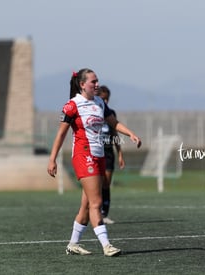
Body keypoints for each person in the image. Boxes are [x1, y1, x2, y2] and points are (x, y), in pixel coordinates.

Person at [47, 68, 141, 257]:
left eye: (97, 81)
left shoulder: (99, 103)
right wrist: (52, 159)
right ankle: (107, 245)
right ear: (82, 85)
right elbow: (61, 134)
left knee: (86, 204)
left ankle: (73, 244)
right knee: (96, 202)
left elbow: (114, 122)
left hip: (99, 156)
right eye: (93, 82)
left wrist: (130, 133)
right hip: (83, 155)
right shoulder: (72, 106)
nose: (97, 85)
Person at [96, 86, 125, 224]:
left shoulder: (110, 113)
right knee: (96, 183)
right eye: (103, 98)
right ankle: (95, 212)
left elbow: (115, 134)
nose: (105, 101)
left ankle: (104, 213)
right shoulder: (93, 111)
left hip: (108, 152)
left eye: (107, 99)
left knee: (106, 183)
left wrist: (120, 153)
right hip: (96, 151)